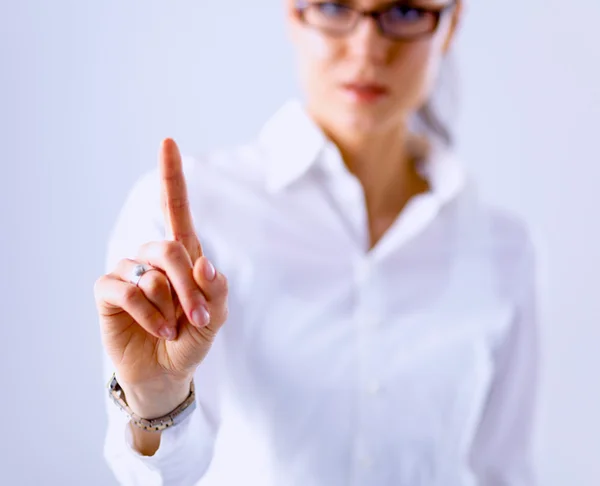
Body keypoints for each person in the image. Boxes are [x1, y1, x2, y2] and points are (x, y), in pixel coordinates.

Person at [94, 1, 540, 485]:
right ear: (293, 13)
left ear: (451, 24)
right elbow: (161, 478)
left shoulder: (501, 248)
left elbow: (503, 470)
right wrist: (157, 401)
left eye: (407, 12)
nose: (368, 49)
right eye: (334, 6)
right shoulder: (194, 216)